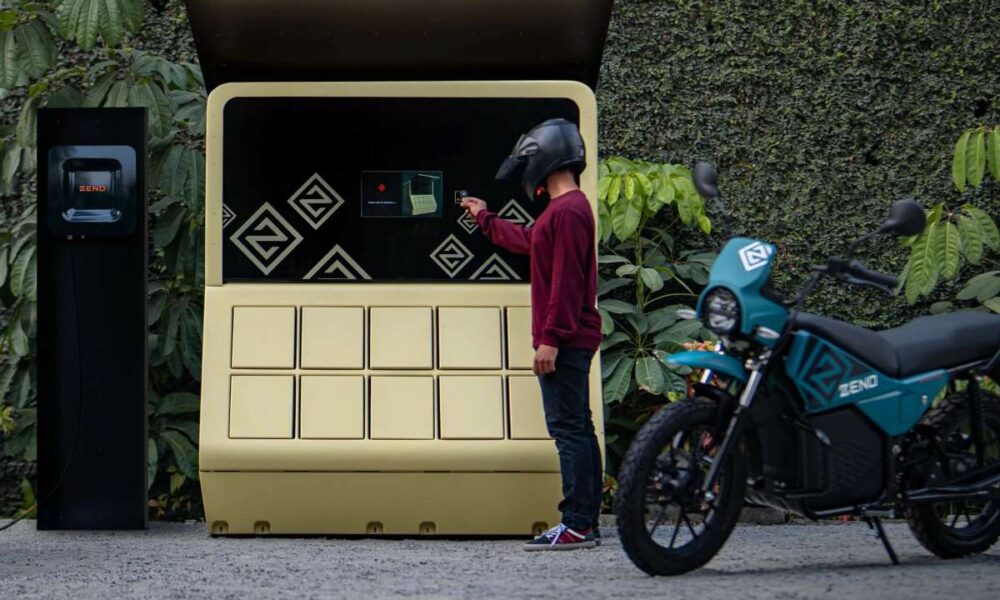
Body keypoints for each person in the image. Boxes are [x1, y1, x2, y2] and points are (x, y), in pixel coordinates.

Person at [461, 118, 603, 551]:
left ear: (544, 160)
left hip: (567, 338)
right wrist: (483, 216)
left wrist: (551, 338)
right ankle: (585, 522)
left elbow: (566, 283)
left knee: (568, 430)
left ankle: (577, 524)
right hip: (569, 337)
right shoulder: (562, 211)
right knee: (578, 427)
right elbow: (528, 240)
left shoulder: (571, 210)